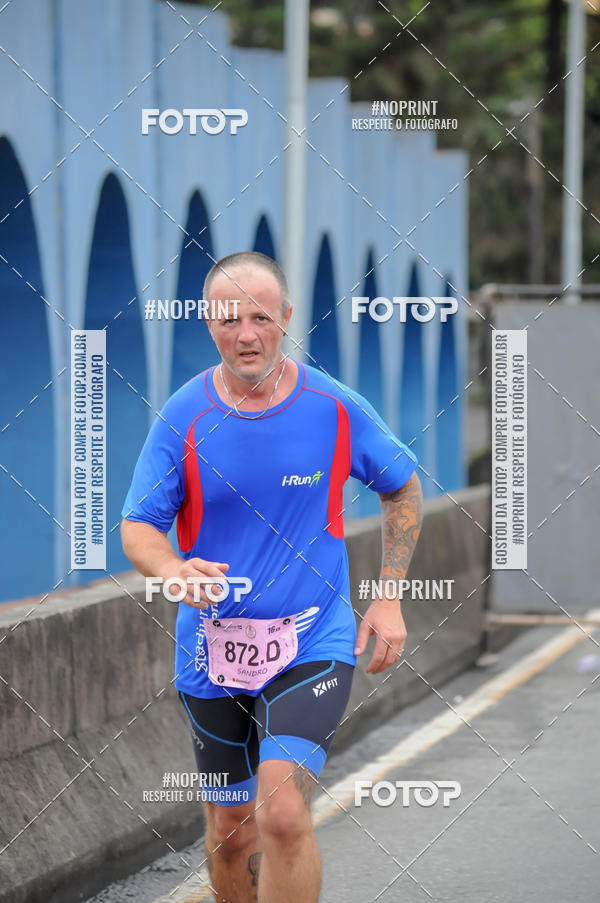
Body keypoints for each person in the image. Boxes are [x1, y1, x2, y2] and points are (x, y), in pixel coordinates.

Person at [121, 251, 423, 903]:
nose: (247, 333)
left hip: (312, 639)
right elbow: (137, 526)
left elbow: (403, 489)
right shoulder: (183, 417)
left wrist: (389, 595)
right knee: (232, 828)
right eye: (230, 319)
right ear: (208, 323)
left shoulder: (333, 407)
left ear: (287, 318)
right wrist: (172, 568)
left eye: (262, 316)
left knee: (281, 812)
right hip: (210, 650)